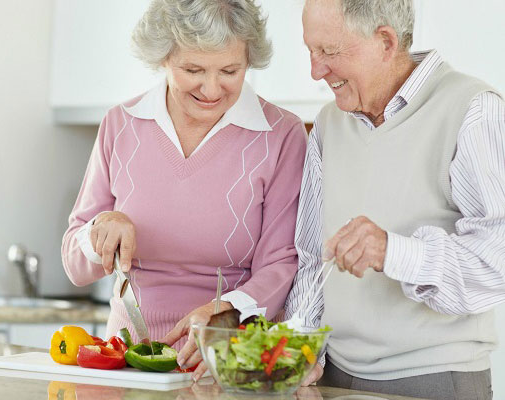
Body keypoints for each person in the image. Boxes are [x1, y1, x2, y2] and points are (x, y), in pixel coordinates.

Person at [61, 0, 308, 381]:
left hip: (227, 361)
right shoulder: (121, 125)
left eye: (230, 70)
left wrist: (224, 312)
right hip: (126, 360)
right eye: (193, 69)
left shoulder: (280, 135)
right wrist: (100, 231)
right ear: (163, 58)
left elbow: (281, 263)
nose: (212, 88)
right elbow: (74, 264)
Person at [284, 0, 505, 399]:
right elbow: (311, 260)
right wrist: (298, 352)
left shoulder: (473, 109)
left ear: (385, 41)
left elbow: (498, 258)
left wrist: (393, 252)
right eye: (310, 51)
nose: (315, 70)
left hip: (435, 378)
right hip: (331, 374)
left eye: (328, 52)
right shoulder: (329, 125)